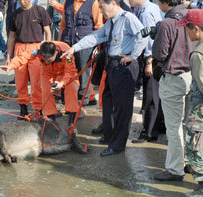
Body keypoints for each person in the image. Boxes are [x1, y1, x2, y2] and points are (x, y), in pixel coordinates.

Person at [62, 0, 147, 156]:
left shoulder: (128, 18)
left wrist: (133, 56)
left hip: (124, 65)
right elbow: (96, 36)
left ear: (113, 3)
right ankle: (109, 136)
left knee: (122, 108)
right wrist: (74, 48)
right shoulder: (112, 22)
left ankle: (117, 145)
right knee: (107, 100)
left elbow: (143, 35)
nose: (100, 10)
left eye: (102, 7)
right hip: (112, 64)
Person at [152, 0, 194, 181]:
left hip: (174, 76)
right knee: (189, 124)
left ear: (163, 2)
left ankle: (175, 170)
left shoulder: (167, 23)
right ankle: (190, 162)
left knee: (174, 127)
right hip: (193, 75)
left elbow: (160, 53)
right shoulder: (191, 15)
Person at [6, 0, 52, 119]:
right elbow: (11, 37)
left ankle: (38, 109)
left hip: (36, 49)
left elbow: (47, 31)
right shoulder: (14, 14)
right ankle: (23, 109)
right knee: (20, 81)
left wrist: (47, 48)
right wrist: (8, 57)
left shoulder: (40, 11)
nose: (23, 1)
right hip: (20, 48)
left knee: (36, 82)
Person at [128, 0, 164, 143]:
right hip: (156, 58)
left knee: (151, 97)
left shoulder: (147, 12)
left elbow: (150, 40)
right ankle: (157, 127)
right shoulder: (152, 8)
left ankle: (149, 132)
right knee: (155, 96)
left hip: (151, 59)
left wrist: (149, 62)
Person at [176, 9, 203, 196]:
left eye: (187, 28)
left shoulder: (197, 54)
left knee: (196, 147)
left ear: (196, 29)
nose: (186, 32)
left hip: (199, 110)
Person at [58, 0, 104, 106]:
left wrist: (98, 46)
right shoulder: (67, 2)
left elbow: (99, 27)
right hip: (67, 43)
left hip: (85, 45)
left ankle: (83, 101)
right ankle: (67, 97)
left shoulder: (94, 3)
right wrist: (60, 44)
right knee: (67, 70)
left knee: (84, 73)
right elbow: (63, 25)